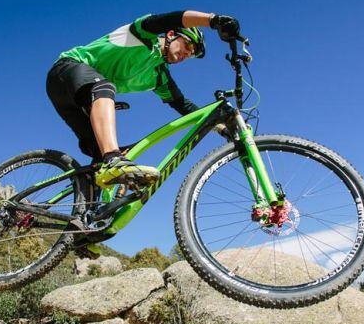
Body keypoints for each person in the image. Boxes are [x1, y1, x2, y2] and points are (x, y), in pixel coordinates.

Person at [46, 10, 240, 191]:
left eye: (190, 55)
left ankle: (83, 210)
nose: (185, 55)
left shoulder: (159, 76)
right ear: (172, 34)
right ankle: (113, 159)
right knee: (105, 91)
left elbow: (184, 106)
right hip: (66, 70)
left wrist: (222, 128)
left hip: (78, 99)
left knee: (100, 164)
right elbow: (176, 17)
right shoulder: (143, 35)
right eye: (187, 46)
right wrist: (212, 20)